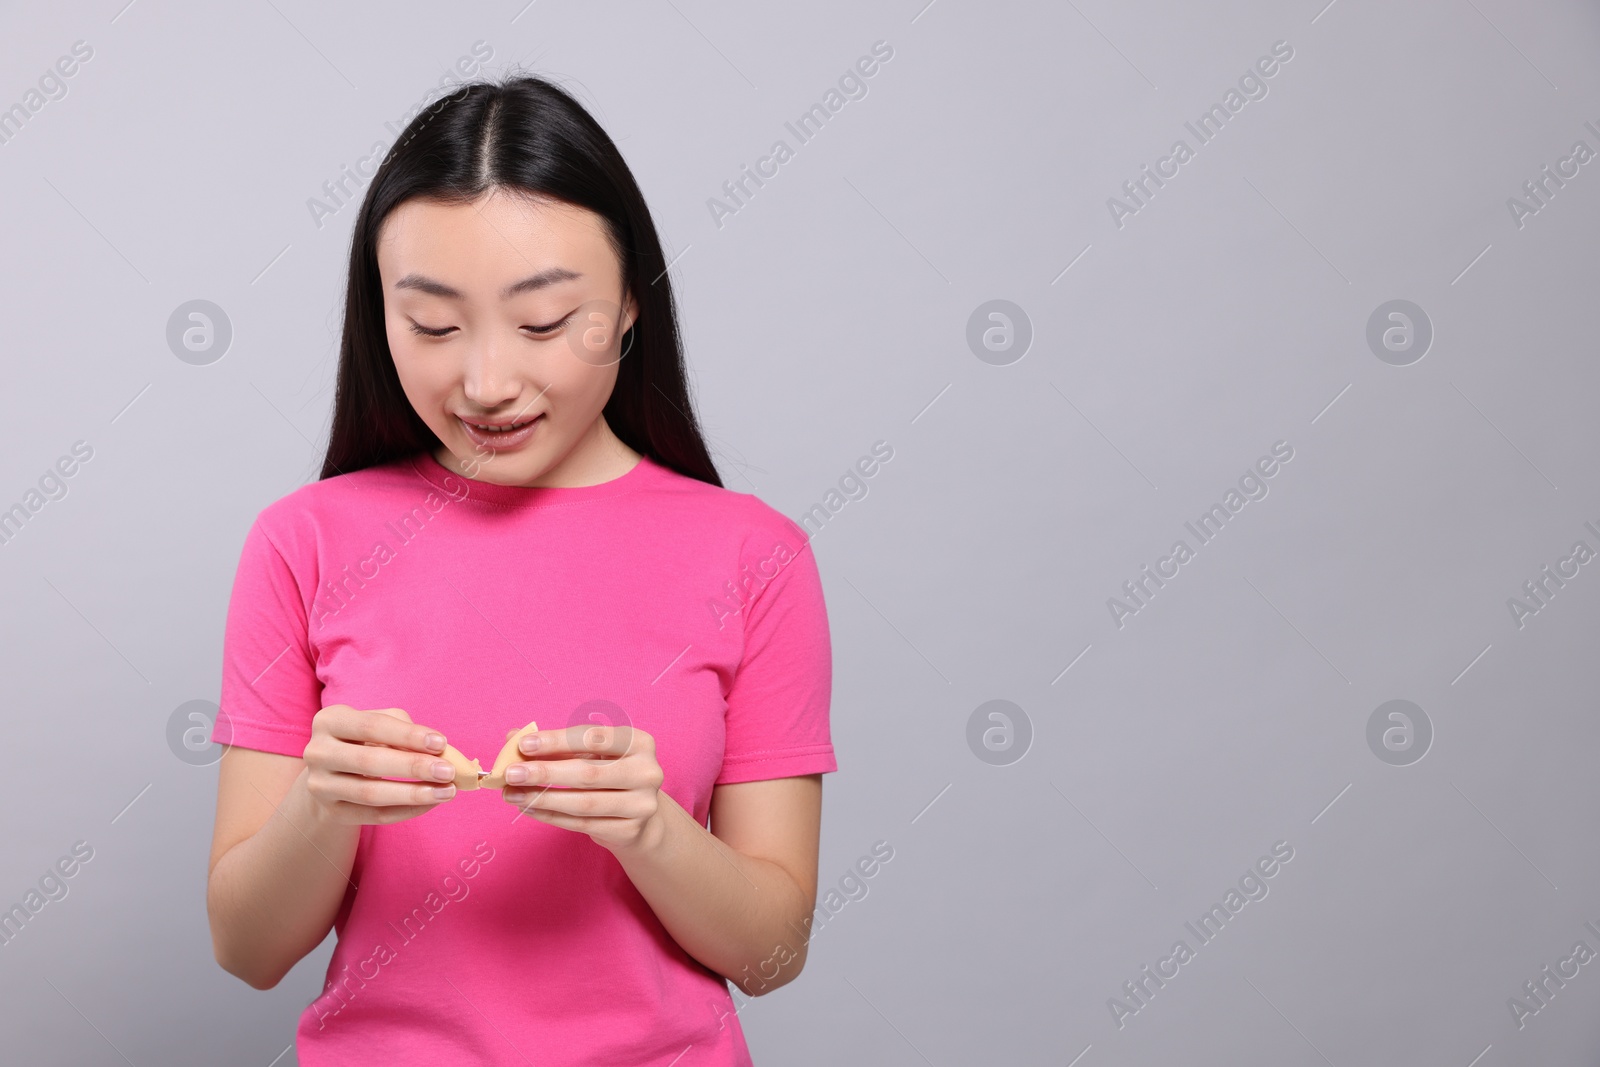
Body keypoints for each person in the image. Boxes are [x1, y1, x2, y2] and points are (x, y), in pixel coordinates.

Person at [204, 72, 836, 1066]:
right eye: (433, 325)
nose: (487, 383)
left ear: (629, 302)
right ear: (380, 314)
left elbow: (773, 951)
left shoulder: (754, 555)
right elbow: (246, 948)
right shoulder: (303, 542)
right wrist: (319, 807)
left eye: (543, 324)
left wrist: (651, 828)